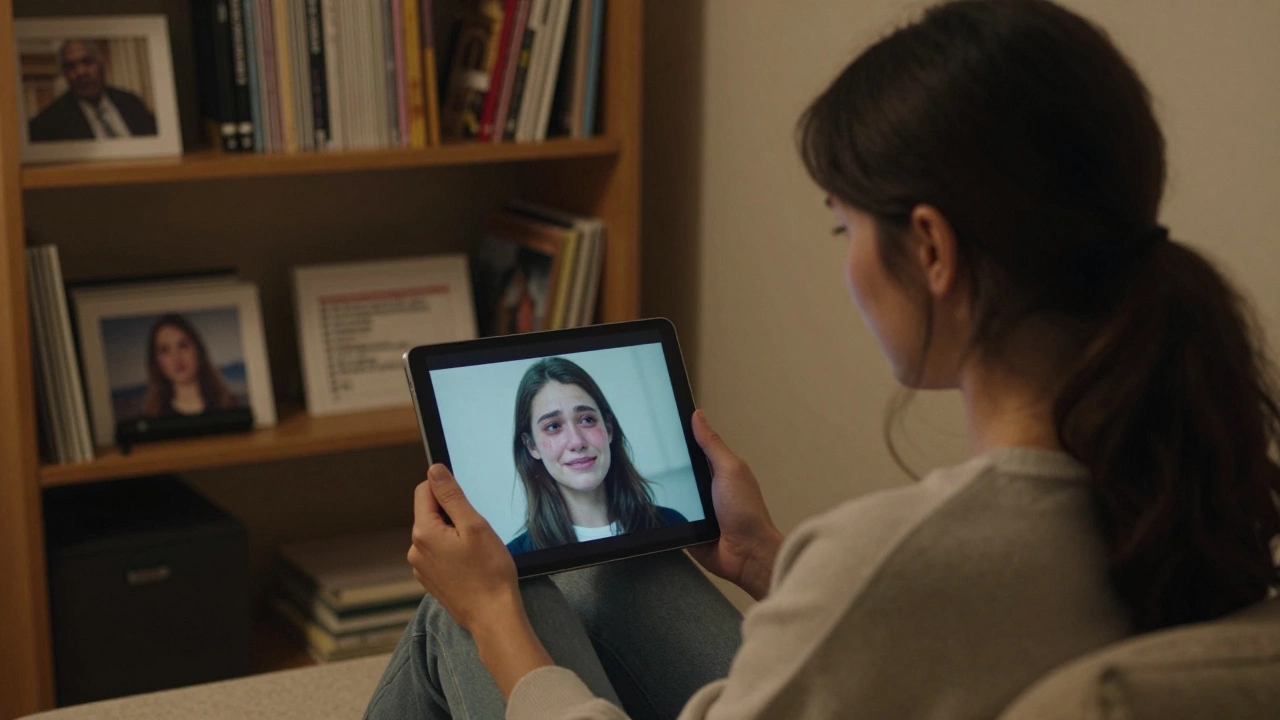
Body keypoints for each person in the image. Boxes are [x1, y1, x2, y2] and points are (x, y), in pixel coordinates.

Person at [366, 1, 1280, 718]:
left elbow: (902, 603)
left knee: (473, 607)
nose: (845, 261)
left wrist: (494, 625)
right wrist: (769, 560)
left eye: (845, 226)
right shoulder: (1189, 495)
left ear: (930, 249)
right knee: (613, 567)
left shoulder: (894, 561)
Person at [503, 357, 688, 554]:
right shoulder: (515, 560)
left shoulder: (671, 524)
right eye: (553, 426)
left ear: (608, 428)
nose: (576, 442)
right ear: (532, 446)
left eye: (587, 420)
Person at [28, 39, 158, 142]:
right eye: (71, 67)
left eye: (87, 62)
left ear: (101, 64)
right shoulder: (48, 124)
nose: (81, 72)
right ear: (64, 74)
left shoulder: (131, 103)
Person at [142, 314, 238, 419]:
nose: (176, 358)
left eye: (183, 345)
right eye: (165, 350)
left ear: (197, 350)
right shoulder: (153, 418)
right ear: (156, 361)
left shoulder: (228, 406)